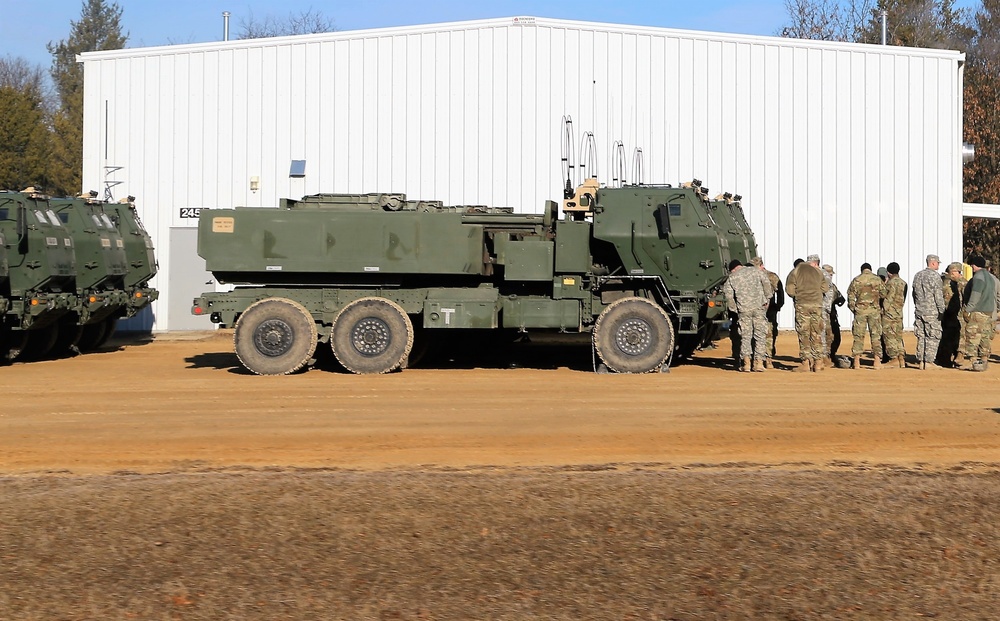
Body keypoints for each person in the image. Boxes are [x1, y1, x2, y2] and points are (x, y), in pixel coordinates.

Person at [723, 258, 773, 372]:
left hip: (744, 310)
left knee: (746, 336)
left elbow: (728, 295)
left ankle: (746, 363)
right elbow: (767, 285)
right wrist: (766, 300)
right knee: (760, 335)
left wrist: (735, 309)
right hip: (759, 307)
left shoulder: (732, 277)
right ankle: (759, 363)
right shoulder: (757, 271)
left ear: (733, 269)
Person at [785, 254, 829, 372]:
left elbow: (790, 291)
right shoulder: (818, 272)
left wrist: (799, 294)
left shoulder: (794, 272)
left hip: (802, 305)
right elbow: (825, 288)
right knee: (816, 333)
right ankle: (818, 363)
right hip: (817, 305)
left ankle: (805, 363)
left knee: (804, 333)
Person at [961, 255, 996, 371]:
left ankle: (973, 362)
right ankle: (984, 361)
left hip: (978, 311)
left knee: (972, 336)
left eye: (972, 265)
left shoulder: (978, 277)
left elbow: (975, 295)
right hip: (988, 311)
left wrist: (968, 310)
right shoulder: (990, 277)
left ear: (975, 265)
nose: (971, 267)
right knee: (984, 338)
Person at [846, 263, 885, 369]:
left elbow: (850, 296)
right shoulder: (877, 280)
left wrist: (854, 309)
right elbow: (883, 294)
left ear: (862, 270)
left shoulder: (856, 280)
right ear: (870, 269)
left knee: (858, 336)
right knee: (876, 336)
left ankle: (857, 361)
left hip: (860, 311)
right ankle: (877, 361)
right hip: (874, 311)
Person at [912, 254, 946, 370]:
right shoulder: (935, 277)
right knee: (933, 335)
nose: (938, 265)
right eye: (937, 263)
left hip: (920, 310)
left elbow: (914, 294)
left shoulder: (918, 275)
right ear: (932, 263)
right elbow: (938, 295)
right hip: (932, 311)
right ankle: (929, 361)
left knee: (921, 336)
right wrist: (942, 310)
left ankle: (921, 360)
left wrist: (918, 306)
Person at [751, 256, 784, 367]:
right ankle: (764, 357)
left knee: (763, 333)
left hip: (764, 309)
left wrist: (778, 305)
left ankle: (764, 357)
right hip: (763, 309)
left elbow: (780, 293)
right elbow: (780, 294)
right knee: (765, 333)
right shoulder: (770, 276)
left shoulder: (769, 276)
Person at [938, 262, 967, 367]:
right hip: (950, 314)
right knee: (950, 337)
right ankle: (947, 358)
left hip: (953, 314)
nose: (957, 274)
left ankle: (952, 356)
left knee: (952, 337)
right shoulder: (947, 282)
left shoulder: (959, 282)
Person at [881, 262, 908, 368]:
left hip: (889, 313)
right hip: (899, 313)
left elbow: (884, 295)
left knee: (889, 336)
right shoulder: (903, 283)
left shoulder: (890, 283)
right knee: (898, 336)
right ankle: (901, 357)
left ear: (888, 272)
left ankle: (893, 358)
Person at [822, 264, 846, 364]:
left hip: (831, 315)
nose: (831, 276)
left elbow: (840, 297)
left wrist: (839, 301)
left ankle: (830, 355)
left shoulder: (832, 285)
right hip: (825, 315)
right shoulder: (825, 285)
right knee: (828, 336)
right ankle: (825, 357)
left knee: (835, 336)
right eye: (830, 274)